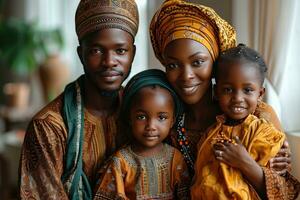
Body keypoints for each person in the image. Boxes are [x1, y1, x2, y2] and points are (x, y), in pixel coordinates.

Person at [149, 0, 299, 198]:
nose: (186, 75)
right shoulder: (166, 119)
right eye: (173, 65)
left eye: (197, 62)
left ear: (215, 63)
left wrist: (246, 163)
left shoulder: (258, 118)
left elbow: (284, 191)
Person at [19, 0, 139, 199]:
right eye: (96, 50)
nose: (109, 62)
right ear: (80, 54)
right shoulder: (48, 128)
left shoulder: (143, 111)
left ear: (133, 54)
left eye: (120, 51)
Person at [191, 44, 287, 199]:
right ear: (216, 92)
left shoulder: (262, 132)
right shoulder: (211, 132)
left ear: (260, 93)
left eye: (247, 90)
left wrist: (243, 161)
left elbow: (279, 190)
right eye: (228, 89)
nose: (237, 98)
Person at [93, 69, 190, 200]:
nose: (151, 126)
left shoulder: (176, 159)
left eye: (161, 118)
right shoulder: (120, 162)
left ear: (172, 121)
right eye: (141, 117)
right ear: (130, 118)